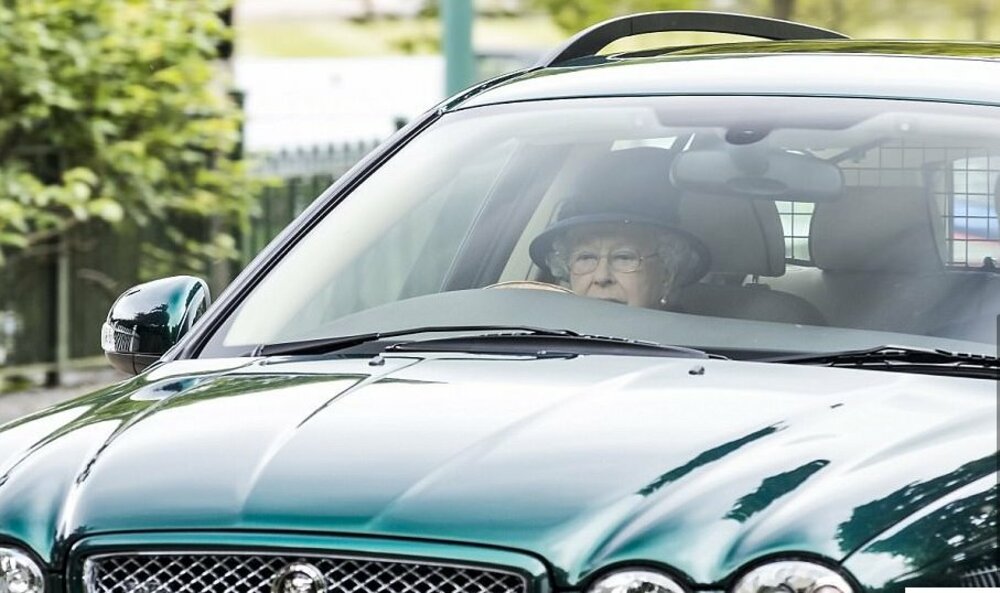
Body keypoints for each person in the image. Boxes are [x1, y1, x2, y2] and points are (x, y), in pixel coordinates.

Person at [528, 148, 710, 309]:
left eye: (624, 257)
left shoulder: (693, 344)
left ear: (667, 274)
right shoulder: (542, 338)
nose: (601, 277)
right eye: (586, 257)